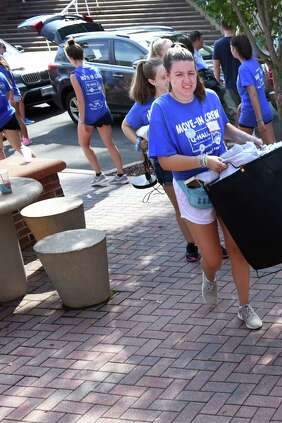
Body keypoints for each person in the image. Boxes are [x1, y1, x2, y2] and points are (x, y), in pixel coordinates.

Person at [147, 46, 265, 330]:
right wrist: (202, 160)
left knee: (237, 249)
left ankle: (244, 306)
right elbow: (164, 159)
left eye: (191, 73)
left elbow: (225, 129)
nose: (187, 80)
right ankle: (209, 277)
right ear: (168, 77)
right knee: (212, 258)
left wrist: (250, 139)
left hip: (225, 179)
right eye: (179, 75)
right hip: (193, 188)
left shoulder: (210, 97)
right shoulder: (161, 109)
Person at [122, 58, 200, 263]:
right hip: (164, 163)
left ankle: (208, 241)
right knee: (180, 206)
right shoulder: (144, 106)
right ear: (151, 81)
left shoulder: (180, 97)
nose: (168, 79)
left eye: (168, 75)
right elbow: (126, 126)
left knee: (200, 202)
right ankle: (192, 244)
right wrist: (140, 143)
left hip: (188, 157)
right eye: (163, 77)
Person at [65, 38, 127, 187]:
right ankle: (121, 174)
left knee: (85, 145)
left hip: (89, 115)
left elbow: (80, 100)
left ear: (70, 57)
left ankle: (99, 175)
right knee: (110, 144)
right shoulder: (95, 69)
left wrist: (82, 120)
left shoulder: (74, 75)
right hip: (103, 111)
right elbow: (102, 92)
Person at [230, 35, 275, 145]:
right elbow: (261, 86)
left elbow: (253, 94)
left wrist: (259, 120)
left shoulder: (243, 68)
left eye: (231, 48)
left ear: (235, 49)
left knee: (243, 151)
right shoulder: (254, 62)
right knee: (271, 147)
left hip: (251, 112)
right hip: (264, 109)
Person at [0, 42, 31, 145]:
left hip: (12, 94)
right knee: (17, 117)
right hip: (15, 92)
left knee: (17, 117)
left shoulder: (2, 67)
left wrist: (11, 96)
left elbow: (8, 83)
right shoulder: (4, 63)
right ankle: (22, 138)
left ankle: (24, 138)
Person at [212, 22, 241, 112]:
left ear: (222, 27)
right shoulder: (241, 41)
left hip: (230, 82)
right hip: (245, 79)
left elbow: (216, 67)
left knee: (236, 111)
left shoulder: (218, 44)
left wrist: (217, 84)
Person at [0, 70, 27, 160]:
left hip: (6, 116)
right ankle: (39, 167)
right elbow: (8, 93)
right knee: (20, 147)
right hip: (7, 115)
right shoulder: (1, 75)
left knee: (0, 151)